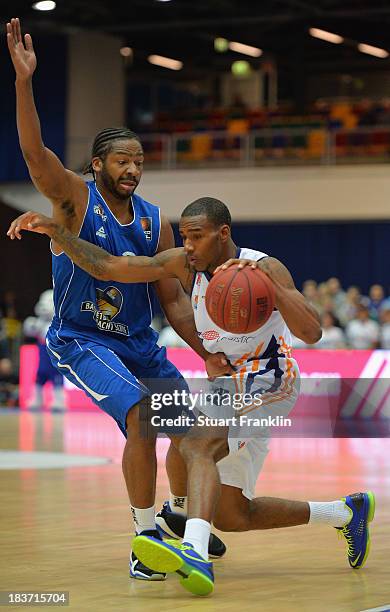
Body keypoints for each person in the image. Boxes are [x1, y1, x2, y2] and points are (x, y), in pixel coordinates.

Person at [8, 199, 375, 597]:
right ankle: (344, 512)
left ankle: (192, 547)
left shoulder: (264, 266)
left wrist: (270, 286)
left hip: (270, 379)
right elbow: (109, 267)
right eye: (183, 236)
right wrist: (59, 234)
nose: (188, 245)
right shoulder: (183, 264)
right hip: (227, 382)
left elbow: (312, 332)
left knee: (197, 444)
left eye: (196, 237)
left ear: (223, 234)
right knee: (232, 513)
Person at [6, 17, 230, 581]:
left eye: (139, 161)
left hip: (139, 343)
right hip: (83, 340)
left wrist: (203, 350)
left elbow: (173, 302)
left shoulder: (155, 220)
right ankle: (143, 535)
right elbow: (35, 155)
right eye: (122, 160)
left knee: (196, 431)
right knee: (141, 413)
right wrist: (24, 83)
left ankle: (179, 518)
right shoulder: (74, 201)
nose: (132, 169)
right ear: (99, 163)